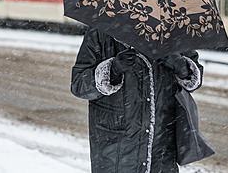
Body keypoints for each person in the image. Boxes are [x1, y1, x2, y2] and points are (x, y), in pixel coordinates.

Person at [71, 27, 204, 173]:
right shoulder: (100, 32)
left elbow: (194, 80)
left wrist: (182, 67)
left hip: (162, 152)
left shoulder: (173, 31)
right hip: (116, 152)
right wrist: (113, 70)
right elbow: (78, 85)